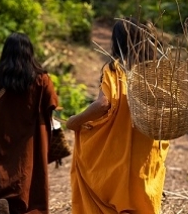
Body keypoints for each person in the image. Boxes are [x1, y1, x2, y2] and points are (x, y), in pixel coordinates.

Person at [66, 17, 170, 214]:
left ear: (118, 41)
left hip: (116, 144)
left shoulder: (115, 69)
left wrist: (75, 121)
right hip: (147, 147)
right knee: (141, 196)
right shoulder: (157, 70)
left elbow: (103, 104)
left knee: (109, 191)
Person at [0, 32, 58, 214]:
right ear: (30, 52)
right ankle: (25, 206)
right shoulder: (41, 79)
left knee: (1, 168)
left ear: (6, 51)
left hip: (1, 133)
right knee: (29, 169)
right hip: (32, 137)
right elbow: (51, 105)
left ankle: (3, 198)